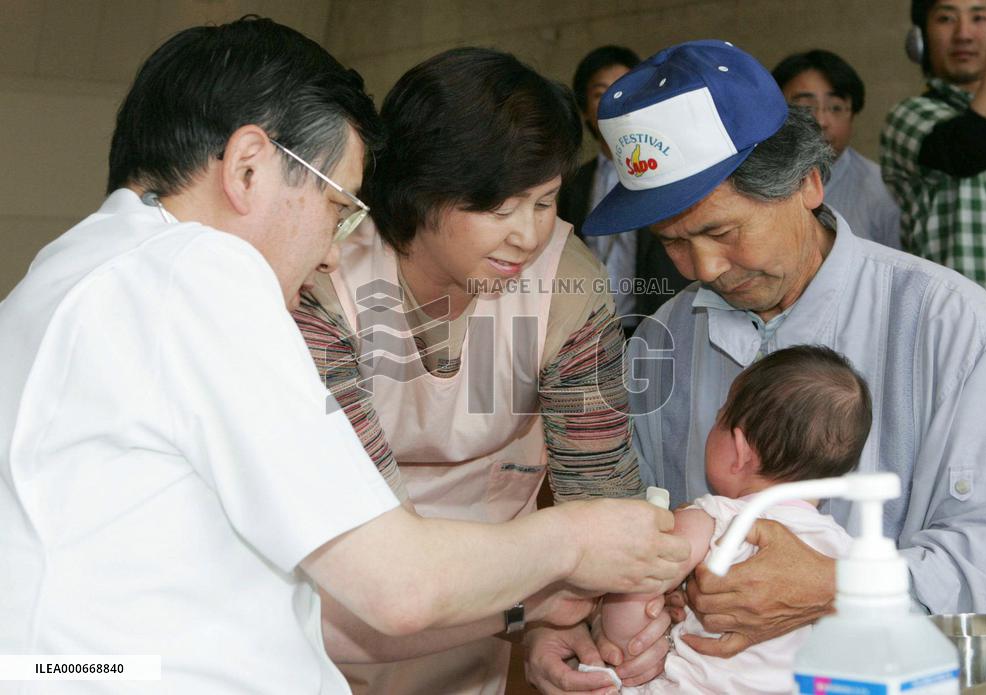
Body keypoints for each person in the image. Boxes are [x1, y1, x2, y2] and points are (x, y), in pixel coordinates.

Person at [0, 19, 691, 694]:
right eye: (337, 208)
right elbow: (399, 584)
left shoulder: (80, 263)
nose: (334, 251)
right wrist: (571, 544)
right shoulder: (201, 275)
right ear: (247, 167)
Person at [525, 38, 986, 694]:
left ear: (808, 182)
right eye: (672, 243)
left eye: (721, 232)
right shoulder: (665, 339)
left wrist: (842, 585)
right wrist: (572, 622)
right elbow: (628, 529)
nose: (704, 268)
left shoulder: (948, 324)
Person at [290, 46, 684, 695]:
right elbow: (382, 569)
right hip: (326, 614)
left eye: (545, 202)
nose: (527, 235)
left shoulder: (567, 285)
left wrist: (580, 623)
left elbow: (599, 493)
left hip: (486, 616)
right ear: (420, 191)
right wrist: (541, 602)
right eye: (500, 209)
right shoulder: (326, 278)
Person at [603, 345, 870, 694]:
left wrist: (619, 638)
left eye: (720, 419)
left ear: (740, 449)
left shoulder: (713, 518)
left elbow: (638, 583)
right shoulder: (842, 551)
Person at [558, 45, 690, 334]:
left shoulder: (674, 171)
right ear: (584, 110)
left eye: (625, 88)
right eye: (600, 93)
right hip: (591, 329)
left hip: (660, 324)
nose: (615, 100)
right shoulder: (570, 183)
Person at [881, 0, 986, 303]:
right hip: (960, 321)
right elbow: (970, 148)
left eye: (979, 18)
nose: (964, 34)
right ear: (919, 37)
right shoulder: (910, 114)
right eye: (946, 18)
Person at [772, 49, 901, 249]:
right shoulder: (751, 181)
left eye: (835, 108)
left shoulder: (881, 190)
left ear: (852, 115)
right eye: (806, 108)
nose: (821, 121)